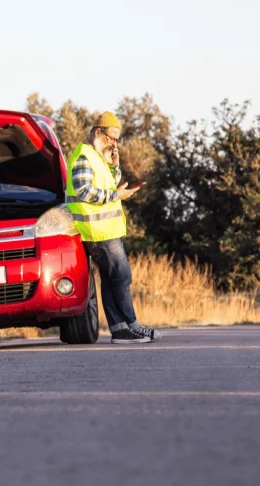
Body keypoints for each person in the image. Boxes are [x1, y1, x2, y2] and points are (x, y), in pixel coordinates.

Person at [65, 111, 161, 344]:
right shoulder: (84, 158)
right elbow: (84, 191)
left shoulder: (96, 157)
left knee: (111, 279)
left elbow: (108, 183)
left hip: (106, 230)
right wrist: (116, 195)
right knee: (122, 276)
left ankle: (120, 329)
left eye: (117, 140)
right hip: (98, 232)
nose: (114, 143)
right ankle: (132, 325)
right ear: (98, 132)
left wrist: (114, 167)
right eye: (111, 138)